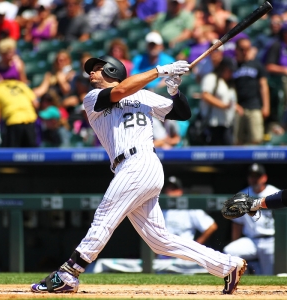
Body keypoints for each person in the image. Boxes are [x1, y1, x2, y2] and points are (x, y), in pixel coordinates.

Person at [31, 54, 247, 294]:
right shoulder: (92, 99)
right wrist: (161, 70)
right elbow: (121, 91)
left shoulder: (143, 95)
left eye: (98, 69)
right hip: (128, 166)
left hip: (141, 162)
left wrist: (174, 91)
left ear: (112, 71)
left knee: (104, 216)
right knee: (159, 240)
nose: (91, 73)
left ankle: (69, 274)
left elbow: (182, 113)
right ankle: (227, 265)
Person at [223, 163, 280, 275]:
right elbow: (237, 224)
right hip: (251, 241)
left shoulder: (275, 193)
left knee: (270, 275)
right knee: (230, 252)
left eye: (257, 176)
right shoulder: (242, 195)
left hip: (272, 240)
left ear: (264, 177)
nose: (254, 179)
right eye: (252, 176)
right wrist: (236, 241)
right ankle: (244, 274)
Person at [0, 70, 39, 147]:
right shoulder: (19, 84)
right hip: (31, 122)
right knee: (31, 156)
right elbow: (36, 104)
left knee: (11, 156)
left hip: (13, 123)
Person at [233, 37, 270, 145]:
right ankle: (239, 162)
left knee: (256, 139)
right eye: (242, 49)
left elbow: (263, 86)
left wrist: (266, 106)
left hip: (254, 106)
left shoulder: (256, 65)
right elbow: (229, 88)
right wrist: (234, 104)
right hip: (238, 108)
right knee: (237, 141)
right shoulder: (233, 66)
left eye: (247, 49)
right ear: (236, 50)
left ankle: (255, 162)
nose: (245, 52)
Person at [162, 176, 218, 246]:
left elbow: (212, 226)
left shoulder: (189, 208)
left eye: (173, 188)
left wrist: (195, 246)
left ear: (180, 191)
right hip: (163, 255)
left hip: (182, 253)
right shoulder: (160, 208)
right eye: (167, 188)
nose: (169, 191)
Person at [199, 56, 238, 145]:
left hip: (226, 124)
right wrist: (223, 106)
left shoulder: (229, 83)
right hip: (212, 124)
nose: (231, 73)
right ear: (223, 68)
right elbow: (205, 95)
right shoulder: (211, 78)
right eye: (229, 70)